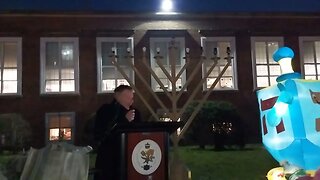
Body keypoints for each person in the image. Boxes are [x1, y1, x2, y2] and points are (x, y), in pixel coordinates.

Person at [94, 85, 141, 180]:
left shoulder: (135, 112)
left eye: (131, 97)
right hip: (110, 158)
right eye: (127, 97)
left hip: (130, 156)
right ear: (117, 96)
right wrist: (124, 119)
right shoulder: (106, 110)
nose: (130, 100)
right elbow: (103, 132)